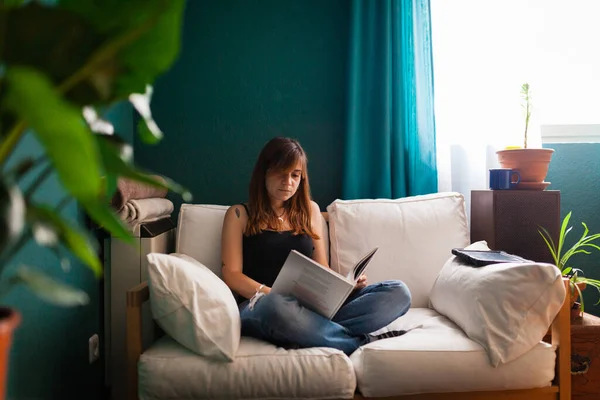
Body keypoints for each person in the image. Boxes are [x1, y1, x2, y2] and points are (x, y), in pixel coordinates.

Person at [221, 137, 411, 355]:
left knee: (398, 292)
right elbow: (231, 274)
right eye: (281, 173)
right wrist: (273, 294)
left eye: (295, 175)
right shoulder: (238, 214)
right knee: (277, 307)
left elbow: (321, 268)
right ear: (264, 172)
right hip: (262, 306)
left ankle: (305, 333)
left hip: (308, 309)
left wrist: (347, 284)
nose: (288, 181)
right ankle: (356, 341)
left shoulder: (310, 211)